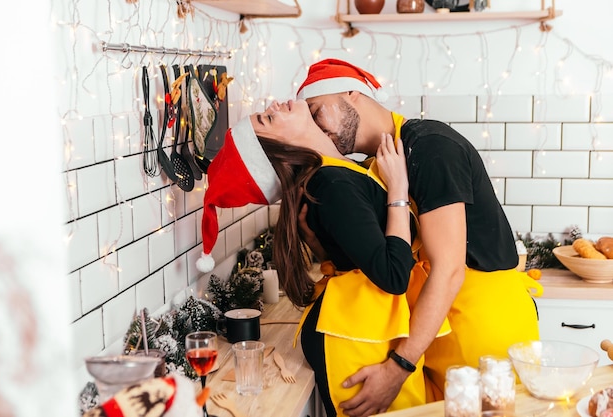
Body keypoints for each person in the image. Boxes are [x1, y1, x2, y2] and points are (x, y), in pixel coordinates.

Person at [296, 58, 543, 416]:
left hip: (480, 333)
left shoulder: (430, 147)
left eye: (317, 111)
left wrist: (399, 366)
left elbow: (448, 269)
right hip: (432, 333)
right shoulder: (375, 167)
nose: (318, 130)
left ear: (352, 93)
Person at [195, 99, 451, 416]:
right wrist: (398, 191)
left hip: (370, 328)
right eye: (268, 118)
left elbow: (356, 252)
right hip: (357, 339)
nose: (275, 104)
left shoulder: (339, 171)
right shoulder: (332, 183)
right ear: (278, 149)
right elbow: (394, 275)